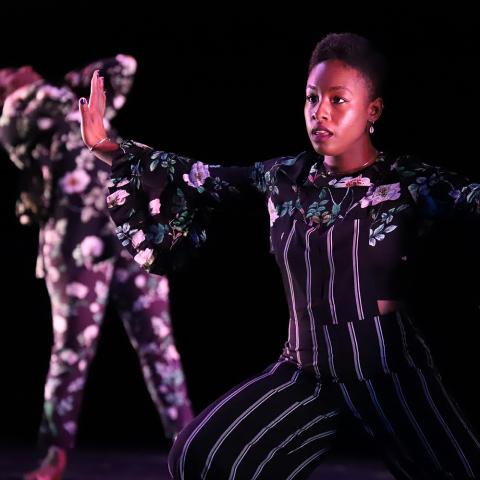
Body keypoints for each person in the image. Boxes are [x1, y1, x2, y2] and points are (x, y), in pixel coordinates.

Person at [79, 33, 480, 479]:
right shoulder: (285, 179)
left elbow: (472, 199)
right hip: (307, 371)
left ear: (373, 111)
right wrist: (105, 147)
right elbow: (198, 176)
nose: (320, 111)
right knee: (198, 458)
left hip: (389, 371)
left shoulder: (408, 182)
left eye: (338, 100)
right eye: (311, 98)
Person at [0, 55, 194, 480]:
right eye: (10, 71)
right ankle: (54, 453)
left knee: (160, 345)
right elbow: (15, 140)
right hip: (74, 244)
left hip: (129, 230)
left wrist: (76, 83)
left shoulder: (72, 101)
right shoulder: (20, 112)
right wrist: (31, 87)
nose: (22, 66)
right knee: (71, 350)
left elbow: (124, 65)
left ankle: (189, 445)